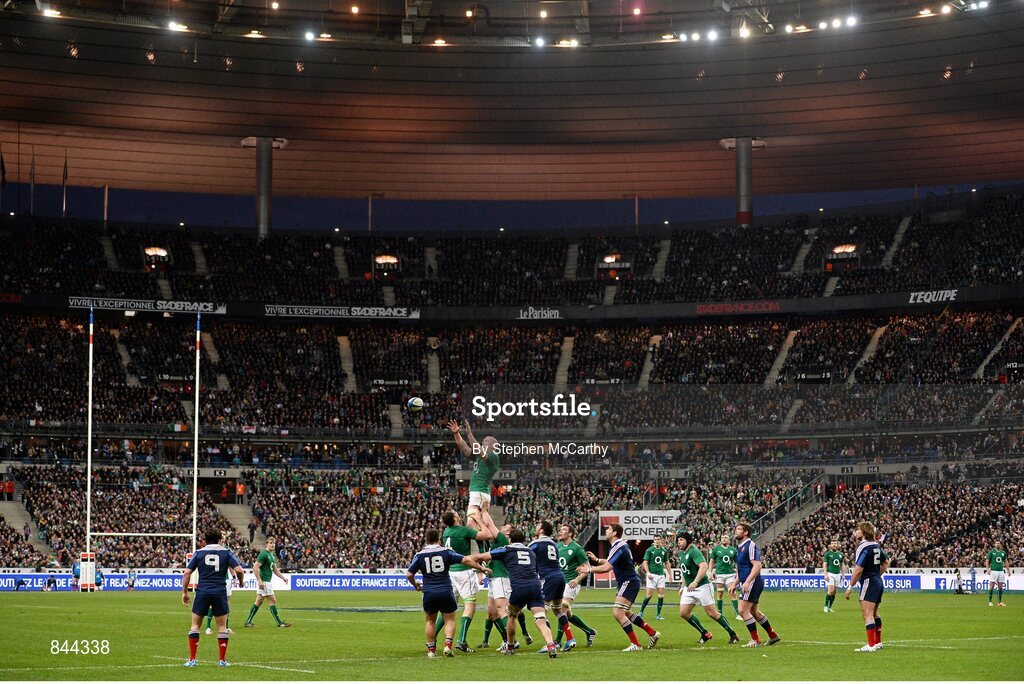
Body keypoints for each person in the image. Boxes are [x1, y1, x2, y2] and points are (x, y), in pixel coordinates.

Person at [466, 526, 558, 657]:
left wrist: (467, 559)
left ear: (510, 539)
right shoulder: (531, 551)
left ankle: (510, 646)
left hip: (520, 587)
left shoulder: (506, 550)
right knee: (540, 618)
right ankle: (550, 644)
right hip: (535, 586)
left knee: (511, 616)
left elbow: (481, 557)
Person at [573, 523, 661, 652]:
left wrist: (589, 569)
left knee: (618, 612)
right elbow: (610, 562)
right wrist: (597, 560)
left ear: (614, 533)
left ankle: (635, 644)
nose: (606, 531)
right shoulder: (618, 546)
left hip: (628, 581)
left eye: (608, 529)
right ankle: (652, 633)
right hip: (628, 582)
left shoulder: (619, 546)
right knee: (626, 612)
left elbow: (607, 568)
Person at [406, 528, 491, 658]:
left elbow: (409, 574)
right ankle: (448, 646)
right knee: (450, 619)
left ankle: (431, 651)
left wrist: (415, 584)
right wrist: (481, 568)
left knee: (430, 621)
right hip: (445, 590)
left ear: (426, 540)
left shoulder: (420, 555)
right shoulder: (446, 552)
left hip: (429, 591)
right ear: (439, 539)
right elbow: (465, 560)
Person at [182, 529, 245, 668]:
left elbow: (187, 573)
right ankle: (222, 661)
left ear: (205, 539)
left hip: (202, 592)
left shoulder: (199, 553)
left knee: (195, 626)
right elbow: (240, 570)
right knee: (222, 626)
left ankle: (192, 659)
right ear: (218, 539)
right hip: (219, 592)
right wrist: (241, 582)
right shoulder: (226, 552)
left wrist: (185, 592)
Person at [438, 509, 495, 652]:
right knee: (470, 605)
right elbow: (487, 535)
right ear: (455, 518)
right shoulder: (463, 531)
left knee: (447, 607)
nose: (458, 513)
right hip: (463, 570)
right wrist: (478, 520)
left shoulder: (446, 532)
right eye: (456, 513)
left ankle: (432, 637)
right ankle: (461, 640)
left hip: (450, 572)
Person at [675, 532, 740, 644]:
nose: (678, 542)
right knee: (684, 613)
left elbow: (704, 566)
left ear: (688, 540)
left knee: (712, 613)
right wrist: (682, 586)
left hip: (702, 586)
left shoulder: (694, 551)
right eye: (678, 540)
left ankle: (733, 634)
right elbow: (685, 571)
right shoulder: (681, 553)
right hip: (689, 588)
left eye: (681, 539)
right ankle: (705, 633)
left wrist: (695, 581)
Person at [844, 520, 890, 652]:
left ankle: (870, 645)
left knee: (867, 613)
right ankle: (878, 642)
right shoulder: (876, 545)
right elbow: (886, 561)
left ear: (863, 532)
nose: (856, 532)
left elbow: (858, 570)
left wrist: (850, 587)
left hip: (869, 581)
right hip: (877, 581)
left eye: (858, 529)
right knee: (874, 613)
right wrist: (877, 574)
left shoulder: (863, 547)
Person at [529, 521, 574, 652]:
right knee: (557, 609)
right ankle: (570, 638)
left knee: (541, 611)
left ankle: (550, 642)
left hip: (547, 578)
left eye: (537, 526)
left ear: (542, 530)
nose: (535, 527)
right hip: (560, 577)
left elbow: (528, 558)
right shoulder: (554, 544)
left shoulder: (535, 544)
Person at [447, 419, 499, 534]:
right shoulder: (479, 457)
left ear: (493, 446)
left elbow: (478, 450)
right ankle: (485, 545)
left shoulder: (494, 456)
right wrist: (456, 433)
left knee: (471, 523)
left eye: (485, 442)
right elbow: (463, 447)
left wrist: (469, 434)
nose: (482, 443)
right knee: (477, 525)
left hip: (479, 492)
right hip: (478, 493)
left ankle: (487, 540)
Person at [735, 522, 781, 648]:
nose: (736, 531)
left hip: (753, 581)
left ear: (745, 533)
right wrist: (734, 583)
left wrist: (748, 582)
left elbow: (757, 565)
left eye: (739, 529)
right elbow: (742, 569)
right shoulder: (740, 548)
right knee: (754, 611)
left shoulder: (750, 545)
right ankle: (773, 636)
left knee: (743, 610)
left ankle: (755, 640)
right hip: (749, 581)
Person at [555, 523, 597, 648]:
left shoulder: (577, 548)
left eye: (564, 530)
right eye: (560, 529)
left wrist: (577, 579)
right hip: (560, 584)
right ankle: (590, 632)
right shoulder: (557, 547)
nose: (561, 531)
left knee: (561, 609)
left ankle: (558, 642)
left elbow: (587, 568)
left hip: (571, 583)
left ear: (571, 534)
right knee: (567, 614)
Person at [477, 521, 514, 651]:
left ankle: (512, 641)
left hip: (501, 578)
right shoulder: (496, 543)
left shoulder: (503, 539)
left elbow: (489, 525)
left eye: (504, 527)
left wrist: (482, 513)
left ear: (508, 533)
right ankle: (507, 640)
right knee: (492, 613)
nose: (501, 527)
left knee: (502, 609)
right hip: (494, 579)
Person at [244, 537, 291, 628]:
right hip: (265, 582)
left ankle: (248, 621)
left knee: (258, 602)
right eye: (270, 543)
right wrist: (259, 580)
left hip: (266, 582)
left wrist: (283, 578)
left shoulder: (271, 555)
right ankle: (279, 623)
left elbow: (275, 570)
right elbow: (255, 567)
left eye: (273, 543)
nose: (272, 544)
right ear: (266, 544)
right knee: (272, 600)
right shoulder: (264, 554)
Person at [638, 533, 671, 621]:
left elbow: (667, 563)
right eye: (655, 539)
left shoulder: (664, 551)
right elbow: (645, 562)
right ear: (653, 540)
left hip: (660, 576)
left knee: (661, 595)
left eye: (658, 539)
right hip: (652, 575)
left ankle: (658, 615)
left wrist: (670, 574)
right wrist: (648, 573)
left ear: (661, 540)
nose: (657, 541)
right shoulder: (649, 550)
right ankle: (641, 612)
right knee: (649, 595)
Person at [709, 534, 741, 620]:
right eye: (722, 538)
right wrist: (710, 572)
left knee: (732, 592)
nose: (723, 539)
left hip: (730, 574)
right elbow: (712, 561)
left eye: (725, 537)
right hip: (719, 575)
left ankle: (738, 614)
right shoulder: (716, 549)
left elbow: (737, 563)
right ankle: (720, 613)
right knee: (720, 593)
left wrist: (738, 573)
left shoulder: (733, 550)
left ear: (729, 540)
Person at [823, 540, 847, 613]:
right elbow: (825, 564)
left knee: (834, 592)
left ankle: (830, 607)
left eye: (835, 543)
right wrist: (825, 574)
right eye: (832, 543)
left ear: (837, 545)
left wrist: (843, 574)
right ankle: (825, 606)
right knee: (830, 590)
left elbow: (842, 565)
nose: (833, 545)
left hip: (838, 574)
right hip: (830, 574)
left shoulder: (841, 554)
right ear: (830, 545)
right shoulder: (827, 554)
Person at [986, 540, 1008, 607]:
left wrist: (1008, 570)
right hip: (993, 571)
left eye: (998, 543)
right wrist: (987, 569)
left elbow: (1006, 561)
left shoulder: (1003, 552)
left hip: (1001, 571)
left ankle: (999, 602)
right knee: (991, 586)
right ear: (994, 544)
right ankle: (990, 601)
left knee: (1000, 587)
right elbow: (987, 561)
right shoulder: (991, 552)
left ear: (1000, 544)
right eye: (996, 543)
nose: (997, 544)